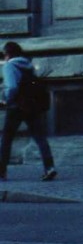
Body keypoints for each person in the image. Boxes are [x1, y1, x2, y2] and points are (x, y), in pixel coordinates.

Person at [0, 41, 56, 181]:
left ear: (7, 54)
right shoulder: (29, 65)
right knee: (40, 137)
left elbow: (12, 87)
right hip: (32, 106)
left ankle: (2, 171)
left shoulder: (9, 66)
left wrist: (6, 99)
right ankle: (50, 167)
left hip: (16, 107)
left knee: (6, 139)